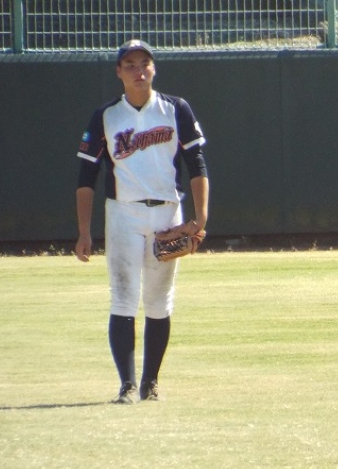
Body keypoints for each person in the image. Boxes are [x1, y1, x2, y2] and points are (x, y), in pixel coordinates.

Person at [74, 40, 209, 404]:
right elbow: (86, 176)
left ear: (154, 68)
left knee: (159, 300)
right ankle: (127, 384)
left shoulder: (175, 109)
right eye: (130, 64)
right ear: (119, 72)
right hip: (123, 212)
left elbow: (196, 164)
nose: (138, 70)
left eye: (144, 63)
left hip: (167, 213)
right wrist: (84, 231)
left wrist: (199, 218)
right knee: (123, 296)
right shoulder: (106, 115)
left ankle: (150, 383)